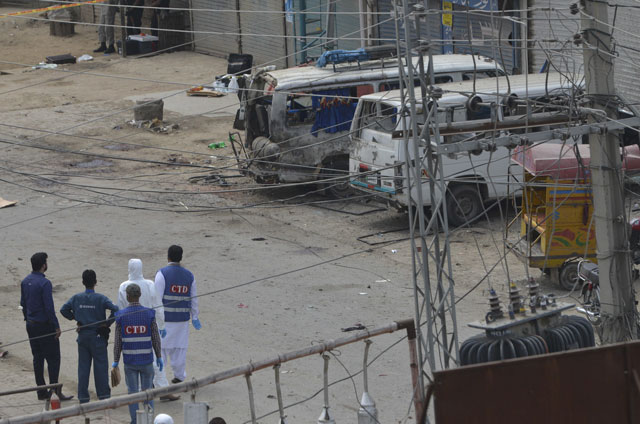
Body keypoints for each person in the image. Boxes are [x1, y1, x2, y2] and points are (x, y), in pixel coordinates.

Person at [118, 258, 179, 402]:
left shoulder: (123, 286)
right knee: (157, 360)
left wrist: (121, 329)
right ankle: (162, 390)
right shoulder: (149, 284)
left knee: (134, 359)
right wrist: (162, 325)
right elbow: (158, 306)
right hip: (150, 326)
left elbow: (120, 308)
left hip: (131, 329)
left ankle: (138, 393)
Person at [20, 252, 73, 401]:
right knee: (53, 358)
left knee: (37, 358)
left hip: (31, 325)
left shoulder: (25, 281)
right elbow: (49, 308)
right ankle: (54, 392)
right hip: (44, 326)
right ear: (44, 265)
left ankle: (41, 391)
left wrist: (27, 319)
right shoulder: (45, 283)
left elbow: (23, 303)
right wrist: (56, 326)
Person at [60, 270, 119, 403]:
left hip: (83, 336)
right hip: (98, 337)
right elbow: (116, 310)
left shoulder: (76, 298)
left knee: (83, 368)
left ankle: (83, 397)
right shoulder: (101, 298)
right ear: (95, 282)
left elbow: (63, 310)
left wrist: (77, 318)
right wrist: (107, 324)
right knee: (101, 368)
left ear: (83, 282)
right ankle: (103, 397)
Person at [113, 283, 164, 424]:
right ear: (139, 295)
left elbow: (118, 341)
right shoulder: (149, 314)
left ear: (128, 296)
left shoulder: (121, 316)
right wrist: (159, 356)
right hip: (147, 361)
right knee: (148, 393)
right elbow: (155, 338)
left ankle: (135, 421)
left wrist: (115, 360)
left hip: (130, 362)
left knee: (133, 394)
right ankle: (149, 419)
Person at [155, 245, 201, 384]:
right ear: (181, 257)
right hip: (182, 322)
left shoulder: (162, 274)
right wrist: (195, 317)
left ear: (168, 256)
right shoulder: (189, 276)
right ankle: (179, 376)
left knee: (160, 351)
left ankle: (158, 379)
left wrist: (156, 319)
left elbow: (157, 299)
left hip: (165, 321)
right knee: (179, 350)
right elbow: (194, 299)